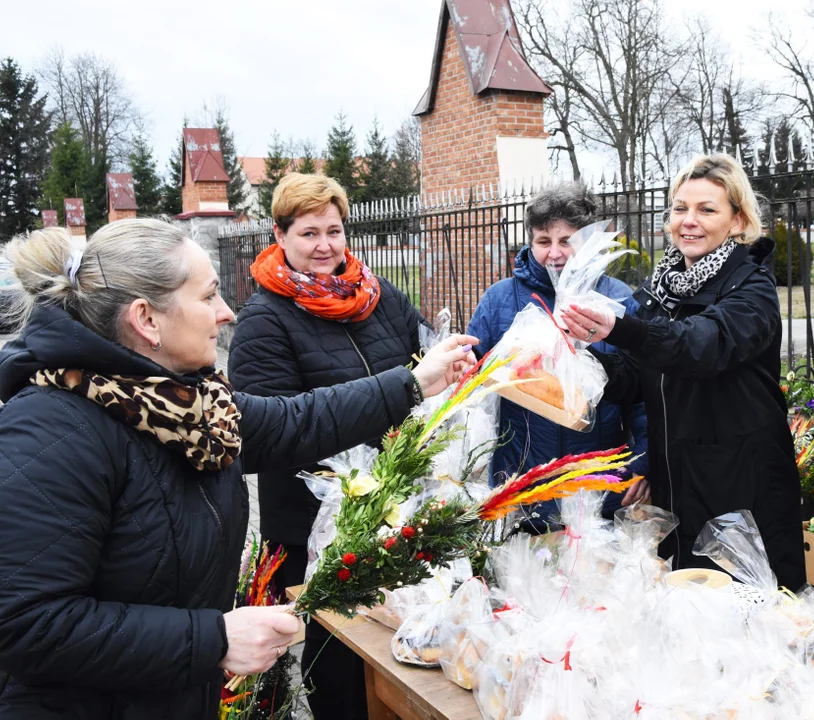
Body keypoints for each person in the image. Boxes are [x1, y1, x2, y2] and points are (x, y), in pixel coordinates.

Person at [0, 221, 476, 720]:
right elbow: (23, 621)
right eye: (208, 297)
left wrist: (414, 383)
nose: (227, 313)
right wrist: (213, 639)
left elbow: (300, 420)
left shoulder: (193, 406)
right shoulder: (51, 429)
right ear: (147, 319)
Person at [227, 173, 426, 719]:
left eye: (334, 231)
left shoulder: (382, 298)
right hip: (311, 522)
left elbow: (422, 367)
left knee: (395, 634)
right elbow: (271, 433)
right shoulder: (265, 320)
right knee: (336, 650)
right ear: (280, 235)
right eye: (308, 232)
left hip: (390, 504)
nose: (324, 246)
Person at [560, 154, 806, 589]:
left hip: (740, 495)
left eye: (706, 210)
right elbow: (636, 373)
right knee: (686, 617)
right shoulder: (662, 289)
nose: (688, 221)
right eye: (680, 208)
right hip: (677, 486)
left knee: (740, 622)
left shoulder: (751, 288)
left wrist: (623, 329)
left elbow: (700, 346)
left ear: (736, 221)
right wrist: (577, 363)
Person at [467, 182, 649, 527]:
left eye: (566, 241)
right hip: (520, 483)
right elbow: (473, 383)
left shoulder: (618, 300)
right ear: (530, 241)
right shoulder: (500, 300)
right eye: (543, 241)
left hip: (599, 484)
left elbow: (644, 392)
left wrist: (643, 462)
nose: (555, 253)